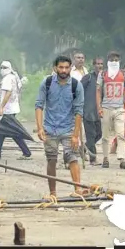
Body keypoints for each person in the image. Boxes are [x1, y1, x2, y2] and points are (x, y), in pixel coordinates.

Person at [35, 55, 86, 197]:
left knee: (72, 157)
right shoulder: (47, 83)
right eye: (61, 67)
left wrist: (75, 135)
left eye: (66, 67)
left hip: (68, 128)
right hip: (50, 128)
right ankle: (53, 193)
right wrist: (39, 128)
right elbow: (39, 106)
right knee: (51, 159)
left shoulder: (76, 86)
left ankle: (78, 190)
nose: (63, 70)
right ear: (55, 68)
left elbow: (78, 112)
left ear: (70, 68)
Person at [95, 52, 125, 169]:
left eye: (116, 59)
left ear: (119, 61)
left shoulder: (124, 74)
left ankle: (122, 159)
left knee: (120, 134)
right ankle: (105, 158)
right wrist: (99, 107)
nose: (114, 61)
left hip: (119, 108)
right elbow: (98, 91)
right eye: (112, 59)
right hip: (106, 108)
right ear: (108, 61)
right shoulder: (103, 73)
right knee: (105, 136)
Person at [0, 61, 31, 160]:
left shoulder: (7, 79)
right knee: (7, 131)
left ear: (9, 68)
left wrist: (1, 107)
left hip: (8, 109)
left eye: (4, 67)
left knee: (5, 132)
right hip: (12, 108)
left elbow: (8, 93)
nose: (2, 69)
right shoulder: (14, 77)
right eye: (1, 67)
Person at [80, 57, 103, 166]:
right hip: (87, 112)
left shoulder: (103, 78)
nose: (99, 66)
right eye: (97, 64)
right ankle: (93, 159)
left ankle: (83, 148)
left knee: (99, 134)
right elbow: (78, 91)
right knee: (91, 135)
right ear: (94, 65)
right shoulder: (88, 77)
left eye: (101, 64)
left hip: (98, 112)